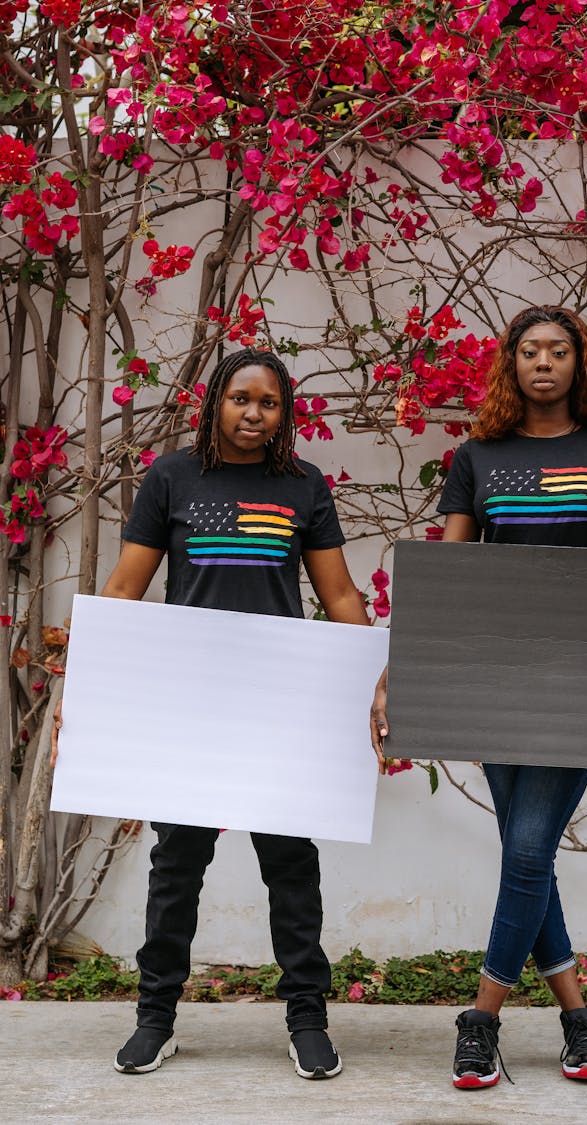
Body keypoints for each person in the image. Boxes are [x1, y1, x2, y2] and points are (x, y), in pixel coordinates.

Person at [370, 304, 587, 1090]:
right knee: (529, 855)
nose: (543, 362)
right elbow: (449, 576)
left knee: (527, 847)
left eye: (558, 350)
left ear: (578, 363)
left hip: (584, 682)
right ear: (511, 363)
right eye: (529, 350)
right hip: (491, 681)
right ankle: (578, 1015)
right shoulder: (477, 456)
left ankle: (482, 1018)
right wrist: (398, 667)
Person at [52, 347, 370, 1078]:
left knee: (291, 864)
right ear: (214, 402)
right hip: (189, 702)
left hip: (278, 705)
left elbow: (341, 595)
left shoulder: (303, 487)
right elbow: (127, 586)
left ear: (283, 413)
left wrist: (377, 680)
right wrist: (85, 687)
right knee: (177, 866)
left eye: (268, 402)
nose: (253, 413)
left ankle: (308, 1018)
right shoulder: (171, 478)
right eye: (240, 398)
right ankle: (155, 1017)